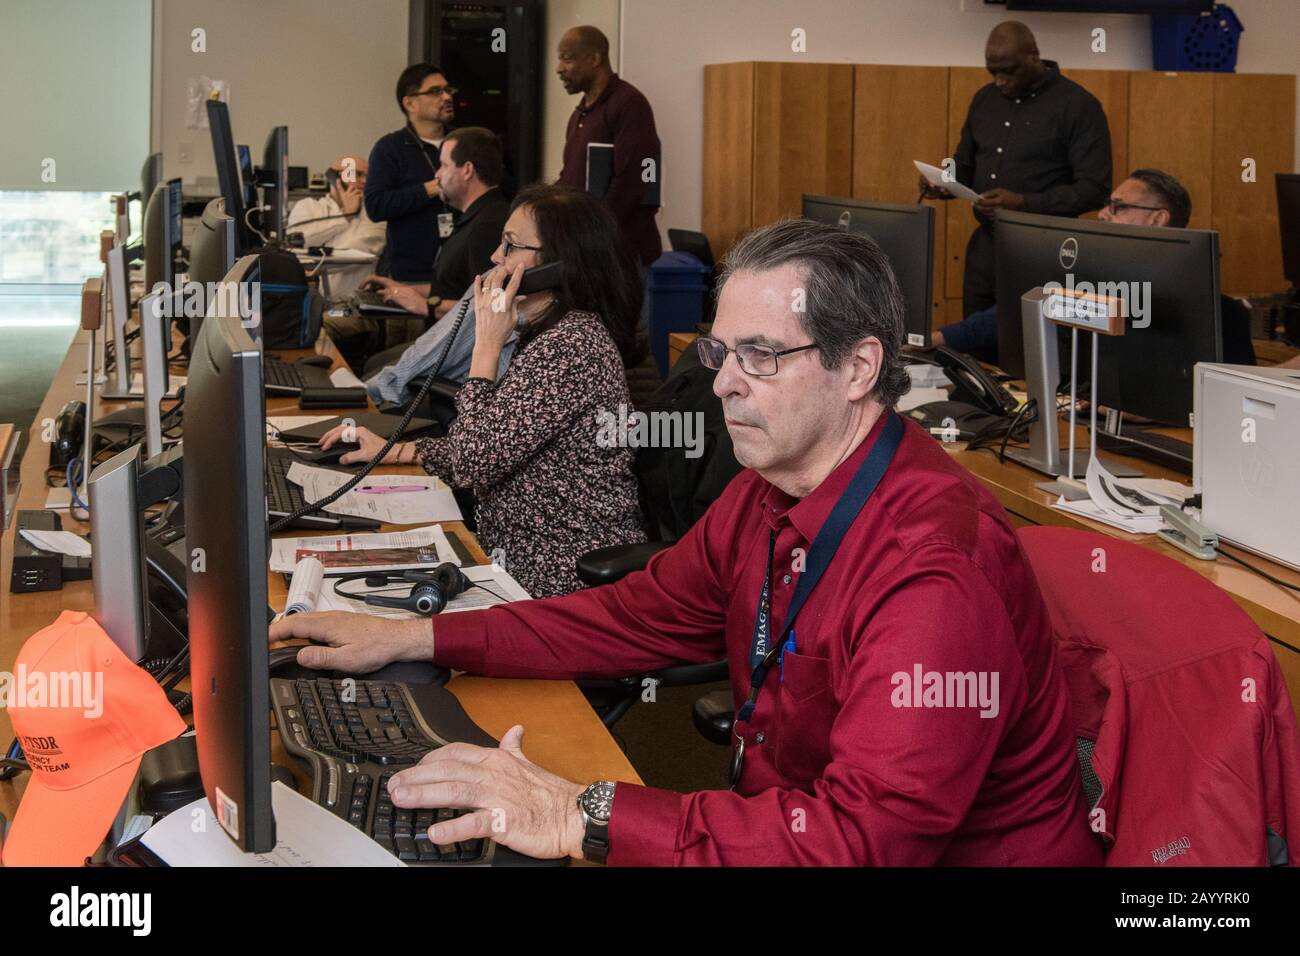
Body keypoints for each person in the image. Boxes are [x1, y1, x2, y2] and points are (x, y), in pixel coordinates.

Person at [275, 218, 1102, 867]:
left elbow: (862, 845)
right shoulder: (767, 493)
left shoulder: (934, 575)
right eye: (721, 350)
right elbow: (633, 616)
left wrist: (579, 812)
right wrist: (419, 635)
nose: (722, 382)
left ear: (859, 369)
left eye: (762, 356)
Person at [319, 184, 647, 598]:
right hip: (513, 561)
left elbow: (475, 459)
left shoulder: (572, 346)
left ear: (560, 265)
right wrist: (393, 450)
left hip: (560, 579)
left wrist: (487, 347)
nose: (496, 257)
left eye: (511, 246)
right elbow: (489, 444)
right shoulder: (544, 333)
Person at [933, 168, 1257, 366]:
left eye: (1118, 207)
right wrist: (935, 338)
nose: (1103, 214)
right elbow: (1021, 311)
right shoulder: (1095, 283)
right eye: (1107, 204)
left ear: (1159, 218)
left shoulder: (1215, 311)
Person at [922, 21, 1112, 319]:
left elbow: (1095, 189)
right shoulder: (984, 100)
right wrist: (945, 181)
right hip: (986, 247)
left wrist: (1024, 203)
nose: (1000, 81)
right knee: (974, 344)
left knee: (1028, 347)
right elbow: (965, 162)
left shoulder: (1078, 105)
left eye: (1009, 71)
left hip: (1045, 251)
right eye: (992, 72)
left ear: (1034, 56)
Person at [360, 127, 513, 379]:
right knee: (373, 366)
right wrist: (400, 288)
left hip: (460, 358)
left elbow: (491, 307)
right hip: (445, 343)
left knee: (371, 377)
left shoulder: (488, 226)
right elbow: (458, 287)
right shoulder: (474, 218)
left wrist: (427, 306)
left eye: (443, 166)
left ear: (466, 170)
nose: (437, 175)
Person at [556, 26, 662, 268]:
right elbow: (570, 178)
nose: (559, 68)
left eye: (567, 58)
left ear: (594, 58)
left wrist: (592, 232)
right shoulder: (580, 114)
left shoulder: (629, 104)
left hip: (620, 256)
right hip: (589, 252)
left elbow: (634, 181)